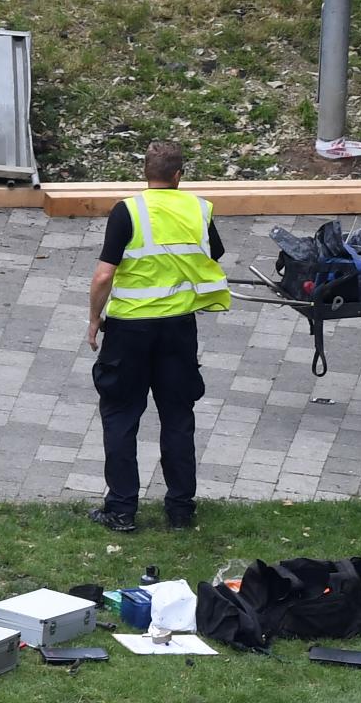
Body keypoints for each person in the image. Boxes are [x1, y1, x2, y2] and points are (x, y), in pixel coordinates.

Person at [86, 141, 231, 532]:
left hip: (129, 331)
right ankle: (181, 509)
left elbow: (103, 275)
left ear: (145, 173)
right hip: (178, 330)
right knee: (178, 417)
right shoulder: (199, 209)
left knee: (120, 416)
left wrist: (93, 319)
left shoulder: (127, 211)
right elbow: (210, 255)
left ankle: (121, 510)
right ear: (179, 175)